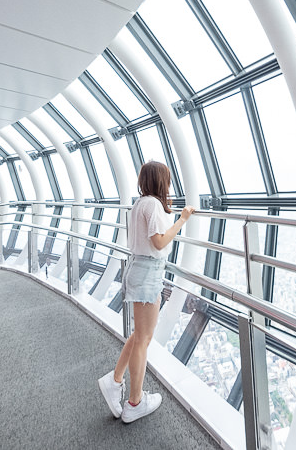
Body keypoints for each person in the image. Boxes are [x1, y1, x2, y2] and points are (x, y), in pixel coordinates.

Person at [98, 161, 195, 423]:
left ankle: (115, 380)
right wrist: (182, 220)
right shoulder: (152, 204)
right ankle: (135, 402)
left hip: (141, 269)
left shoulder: (141, 203)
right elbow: (159, 241)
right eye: (168, 180)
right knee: (144, 339)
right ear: (161, 181)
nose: (171, 184)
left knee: (140, 335)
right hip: (148, 271)